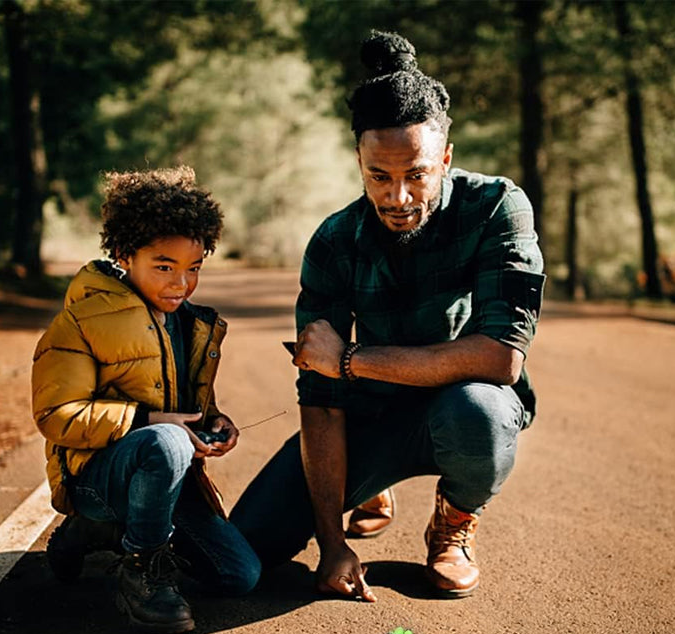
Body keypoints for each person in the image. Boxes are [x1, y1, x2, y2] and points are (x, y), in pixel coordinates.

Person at [230, 31, 544, 603]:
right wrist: (330, 543)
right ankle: (369, 489)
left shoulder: (497, 208)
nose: (398, 196)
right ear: (359, 160)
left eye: (417, 174)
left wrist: (349, 360)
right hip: (367, 414)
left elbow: (500, 358)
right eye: (379, 176)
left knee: (481, 413)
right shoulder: (333, 242)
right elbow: (321, 402)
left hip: (459, 404)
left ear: (445, 157)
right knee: (245, 549)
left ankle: (452, 523)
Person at [32, 166, 260, 634]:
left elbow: (186, 403)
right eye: (164, 267)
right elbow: (56, 416)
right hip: (95, 479)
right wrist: (152, 422)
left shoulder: (193, 323)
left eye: (193, 268)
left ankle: (104, 533)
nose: (181, 283)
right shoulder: (81, 320)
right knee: (167, 444)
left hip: (163, 473)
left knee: (240, 575)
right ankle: (140, 568)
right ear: (124, 254)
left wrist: (214, 422)